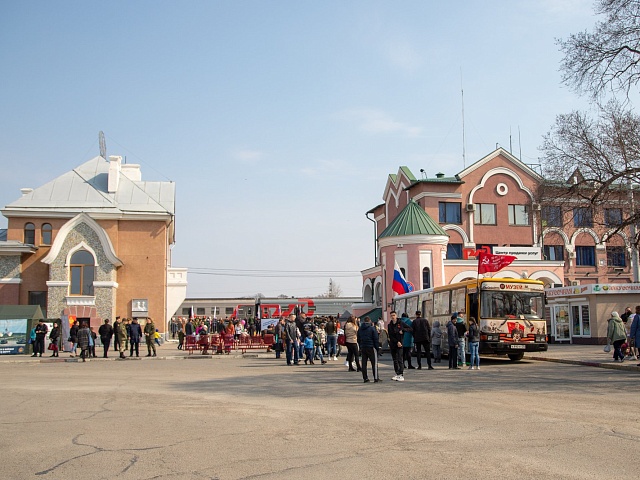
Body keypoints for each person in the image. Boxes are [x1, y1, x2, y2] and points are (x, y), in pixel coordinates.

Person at [357, 316, 381, 383]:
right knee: (374, 363)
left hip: (363, 347)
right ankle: (376, 378)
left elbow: (358, 339)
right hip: (371, 347)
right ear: (370, 321)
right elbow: (375, 339)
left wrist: (360, 346)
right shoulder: (372, 328)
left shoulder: (360, 329)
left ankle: (365, 378)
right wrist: (377, 347)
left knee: (364, 363)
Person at [387, 311, 404, 381]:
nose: (392, 317)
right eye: (391, 316)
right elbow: (390, 335)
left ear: (396, 315)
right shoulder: (389, 325)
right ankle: (397, 373)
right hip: (393, 344)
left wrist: (403, 330)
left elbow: (409, 328)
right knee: (395, 359)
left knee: (400, 359)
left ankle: (401, 373)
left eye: (394, 315)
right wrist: (396, 341)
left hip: (400, 344)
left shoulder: (400, 323)